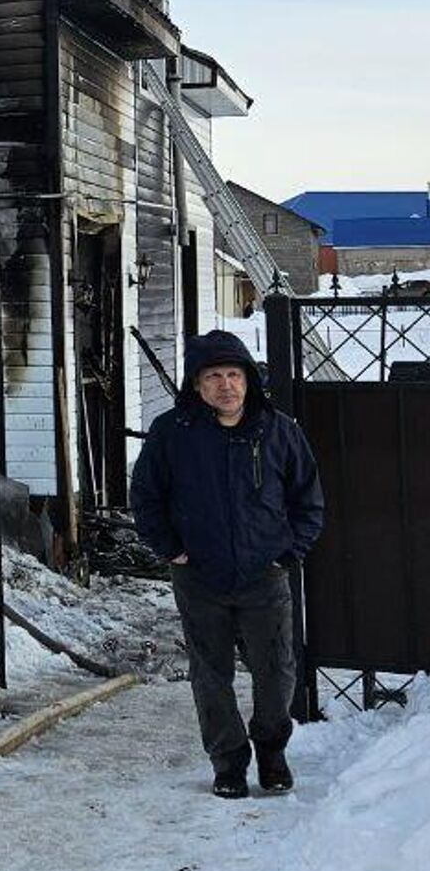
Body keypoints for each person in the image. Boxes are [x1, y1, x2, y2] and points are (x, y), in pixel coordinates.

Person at [130, 329, 325, 798]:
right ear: (197, 385)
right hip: (200, 576)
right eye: (213, 376)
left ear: (249, 380)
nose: (225, 385)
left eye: (234, 374)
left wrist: (288, 552)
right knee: (210, 674)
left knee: (277, 671)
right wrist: (171, 549)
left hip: (265, 575)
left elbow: (308, 500)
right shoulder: (172, 434)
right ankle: (228, 762)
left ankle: (272, 752)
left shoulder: (279, 430)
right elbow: (146, 496)